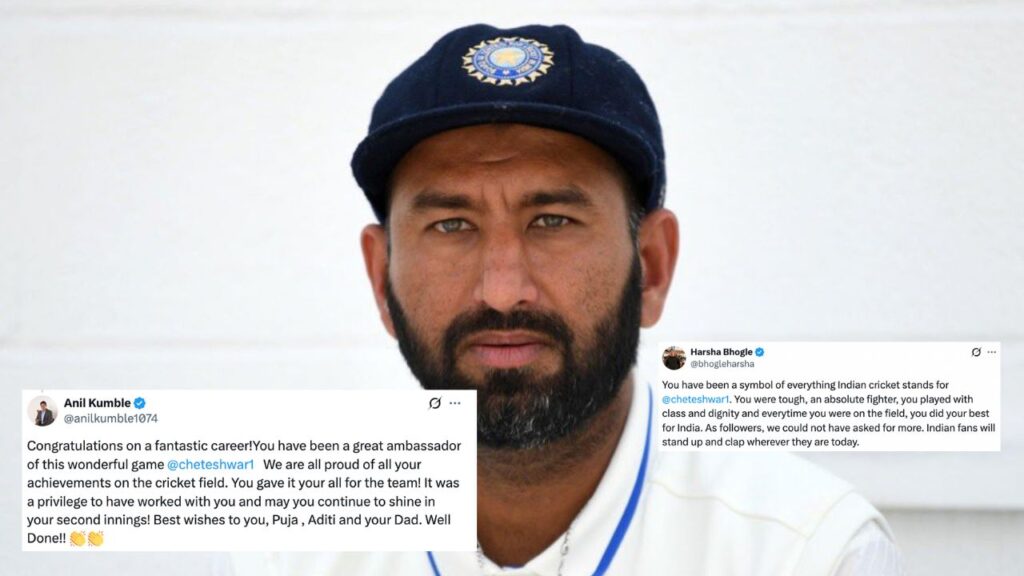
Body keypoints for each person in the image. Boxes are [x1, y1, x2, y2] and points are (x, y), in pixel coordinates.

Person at [243, 23, 905, 576]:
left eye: (553, 221)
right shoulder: (285, 555)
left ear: (651, 268)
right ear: (381, 276)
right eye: (452, 225)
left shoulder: (805, 552)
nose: (503, 290)